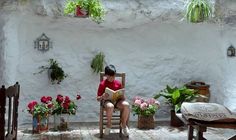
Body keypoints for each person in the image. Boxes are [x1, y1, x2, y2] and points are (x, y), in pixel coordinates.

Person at [97, 64, 130, 136]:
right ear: (106, 75)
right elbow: (98, 98)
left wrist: (122, 96)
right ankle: (109, 124)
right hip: (107, 102)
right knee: (110, 106)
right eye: (110, 76)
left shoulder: (118, 83)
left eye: (114, 76)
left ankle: (123, 124)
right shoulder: (102, 84)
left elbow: (122, 97)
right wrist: (102, 96)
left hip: (117, 101)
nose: (112, 77)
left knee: (127, 105)